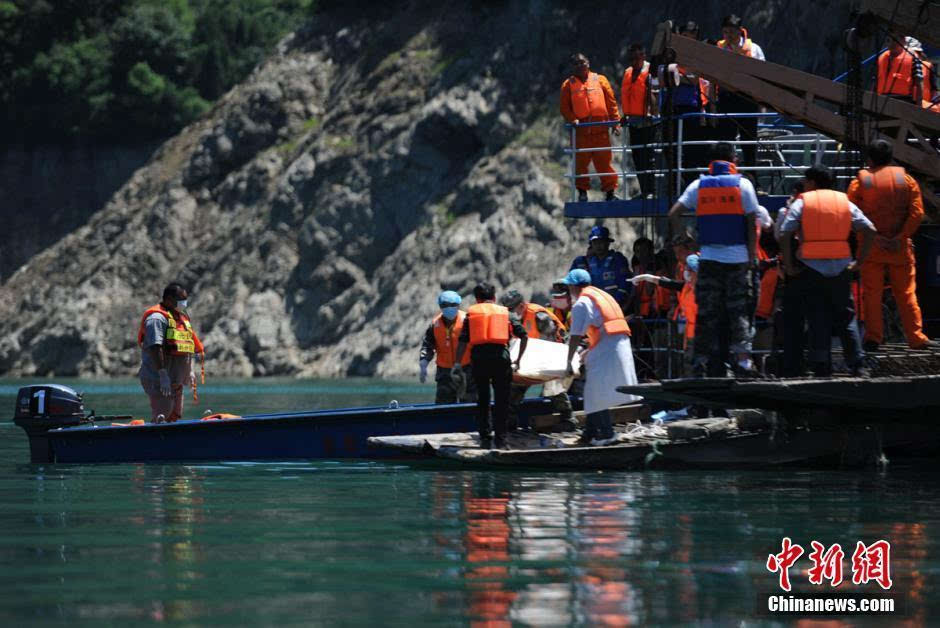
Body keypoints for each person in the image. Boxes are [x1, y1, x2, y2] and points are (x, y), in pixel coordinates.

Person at [668, 142, 761, 377]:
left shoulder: (698, 185)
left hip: (708, 258)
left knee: (707, 314)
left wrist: (686, 237)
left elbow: (674, 213)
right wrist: (751, 255)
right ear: (733, 159)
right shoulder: (743, 184)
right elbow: (751, 222)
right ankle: (743, 362)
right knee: (737, 312)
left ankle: (701, 364)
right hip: (738, 259)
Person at [778, 165, 876, 377]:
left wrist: (789, 265)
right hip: (841, 267)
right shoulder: (844, 201)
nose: (803, 184)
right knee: (846, 317)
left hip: (811, 268)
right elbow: (869, 229)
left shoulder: (803, 201)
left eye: (805, 181)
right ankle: (858, 365)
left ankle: (821, 367)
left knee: (817, 316)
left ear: (812, 182)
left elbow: (785, 232)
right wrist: (859, 261)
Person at [847, 139, 934, 351]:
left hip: (871, 247)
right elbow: (917, 213)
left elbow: (851, 213)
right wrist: (899, 237)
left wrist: (874, 238)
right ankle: (916, 337)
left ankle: (873, 338)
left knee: (872, 293)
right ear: (890, 157)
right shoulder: (906, 180)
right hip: (899, 247)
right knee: (906, 293)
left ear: (869, 159)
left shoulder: (860, 182)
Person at [562, 269, 639, 444]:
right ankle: (589, 433)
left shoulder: (581, 304)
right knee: (594, 392)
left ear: (574, 286)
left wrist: (568, 360)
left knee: (596, 393)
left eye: (569, 286)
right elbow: (602, 327)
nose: (568, 289)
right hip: (616, 344)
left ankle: (607, 434)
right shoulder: (601, 295)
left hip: (609, 348)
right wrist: (589, 349)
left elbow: (575, 335)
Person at [454, 283, 528, 450]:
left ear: (477, 299)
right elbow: (523, 336)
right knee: (502, 400)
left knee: (483, 399)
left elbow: (463, 341)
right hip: (501, 359)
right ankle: (502, 441)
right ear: (494, 297)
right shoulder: (506, 313)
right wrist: (519, 360)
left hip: (479, 361)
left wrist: (457, 363)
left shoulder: (471, 314)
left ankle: (485, 439)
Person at [499, 290, 576, 432]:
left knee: (554, 387)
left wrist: (546, 363)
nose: (508, 312)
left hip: (551, 353)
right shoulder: (512, 319)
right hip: (530, 355)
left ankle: (568, 419)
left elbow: (553, 338)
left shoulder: (538, 316)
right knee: (515, 385)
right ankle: (509, 423)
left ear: (521, 306)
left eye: (511, 309)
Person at [137, 282, 204, 423]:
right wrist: (163, 375)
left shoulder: (181, 318)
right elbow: (156, 347)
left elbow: (188, 345)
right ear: (168, 299)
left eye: (185, 300)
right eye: (181, 300)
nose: (184, 303)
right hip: (160, 380)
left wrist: (190, 370)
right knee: (162, 415)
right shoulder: (156, 318)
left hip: (177, 380)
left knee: (175, 416)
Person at [560, 52, 622, 202]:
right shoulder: (568, 85)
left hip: (601, 130)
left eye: (583, 62)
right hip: (581, 132)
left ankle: (610, 193)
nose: (581, 66)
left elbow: (611, 102)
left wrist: (615, 122)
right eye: (577, 64)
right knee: (581, 164)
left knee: (604, 163)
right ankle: (582, 193)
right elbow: (564, 108)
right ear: (573, 67)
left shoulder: (600, 80)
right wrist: (573, 119)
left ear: (588, 63)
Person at [715, 14, 765, 169]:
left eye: (731, 32)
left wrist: (761, 101)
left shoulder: (754, 49)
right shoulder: (719, 48)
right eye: (725, 32)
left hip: (747, 99)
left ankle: (753, 178)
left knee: (749, 141)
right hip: (726, 99)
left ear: (739, 31)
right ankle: (725, 173)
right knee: (726, 140)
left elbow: (763, 75)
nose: (728, 35)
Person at [419, 290, 477, 403]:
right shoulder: (434, 325)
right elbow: (427, 346)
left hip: (467, 370)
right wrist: (423, 364)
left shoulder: (468, 320)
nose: (449, 308)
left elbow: (478, 345)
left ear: (458, 305)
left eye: (453, 305)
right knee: (443, 407)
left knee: (470, 406)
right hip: (444, 373)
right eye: (445, 305)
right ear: (440, 306)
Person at [621, 43, 658, 198]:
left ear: (643, 56)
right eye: (631, 58)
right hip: (633, 121)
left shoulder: (651, 71)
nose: (634, 61)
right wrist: (625, 115)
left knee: (648, 157)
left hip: (648, 121)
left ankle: (651, 191)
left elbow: (656, 95)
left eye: (637, 57)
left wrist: (653, 112)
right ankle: (644, 190)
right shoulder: (628, 72)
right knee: (637, 157)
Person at [569, 225, 633, 310]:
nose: (598, 245)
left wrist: (614, 303)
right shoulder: (582, 262)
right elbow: (572, 283)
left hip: (614, 307)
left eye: (601, 242)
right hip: (592, 308)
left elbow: (625, 284)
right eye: (595, 242)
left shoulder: (617, 259)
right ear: (591, 244)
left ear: (608, 242)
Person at [876, 35, 923, 105]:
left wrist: (919, 106)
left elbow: (919, 83)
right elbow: (875, 81)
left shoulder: (912, 57)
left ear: (903, 41)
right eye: (888, 41)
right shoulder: (881, 58)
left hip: (903, 101)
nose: (891, 44)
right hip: (881, 99)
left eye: (895, 40)